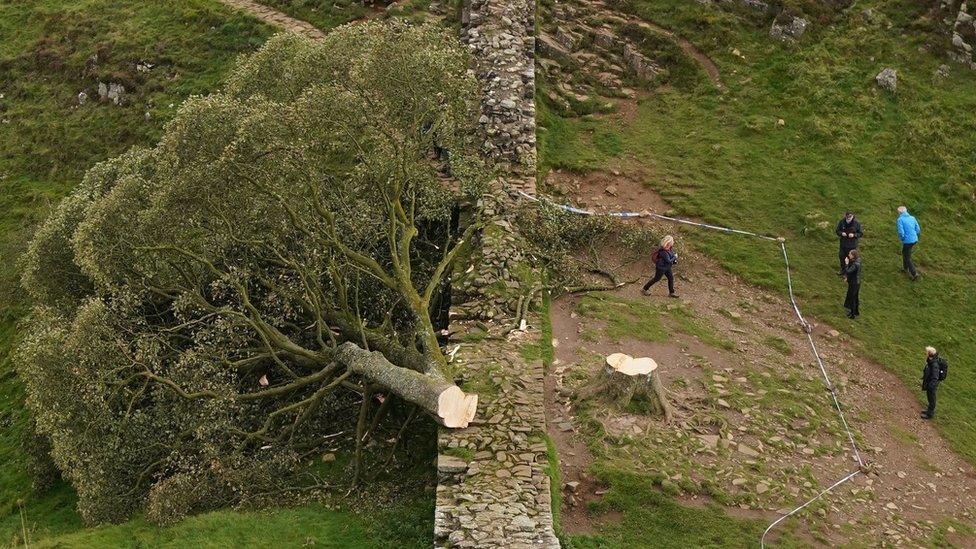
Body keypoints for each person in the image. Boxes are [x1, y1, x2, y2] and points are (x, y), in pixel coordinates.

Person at [896, 206, 921, 280]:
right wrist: (914, 235)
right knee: (905, 252)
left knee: (907, 257)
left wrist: (903, 238)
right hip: (914, 239)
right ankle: (905, 268)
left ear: (899, 213)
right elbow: (918, 229)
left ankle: (914, 273)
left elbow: (901, 232)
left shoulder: (900, 220)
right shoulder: (912, 218)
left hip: (907, 241)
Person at [835, 211, 863, 275]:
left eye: (850, 217)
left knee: (851, 259)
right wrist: (841, 233)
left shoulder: (856, 223)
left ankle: (850, 273)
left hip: (852, 245)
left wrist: (854, 235)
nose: (848, 219)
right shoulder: (842, 222)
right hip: (843, 244)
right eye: (847, 217)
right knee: (842, 257)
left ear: (853, 216)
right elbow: (837, 231)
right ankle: (843, 270)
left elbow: (860, 233)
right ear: (845, 216)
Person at [921, 346, 944, 419]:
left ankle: (930, 414)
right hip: (930, 383)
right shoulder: (931, 361)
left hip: (932, 385)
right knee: (930, 397)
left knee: (932, 399)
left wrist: (931, 386)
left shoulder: (934, 365)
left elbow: (935, 377)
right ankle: (928, 410)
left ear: (929, 354)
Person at [842, 249, 861, 319]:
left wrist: (846, 263)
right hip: (857, 283)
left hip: (853, 283)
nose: (848, 255)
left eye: (850, 254)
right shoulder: (858, 261)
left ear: (853, 255)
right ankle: (856, 312)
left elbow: (848, 271)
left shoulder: (855, 264)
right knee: (855, 298)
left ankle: (852, 314)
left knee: (852, 298)